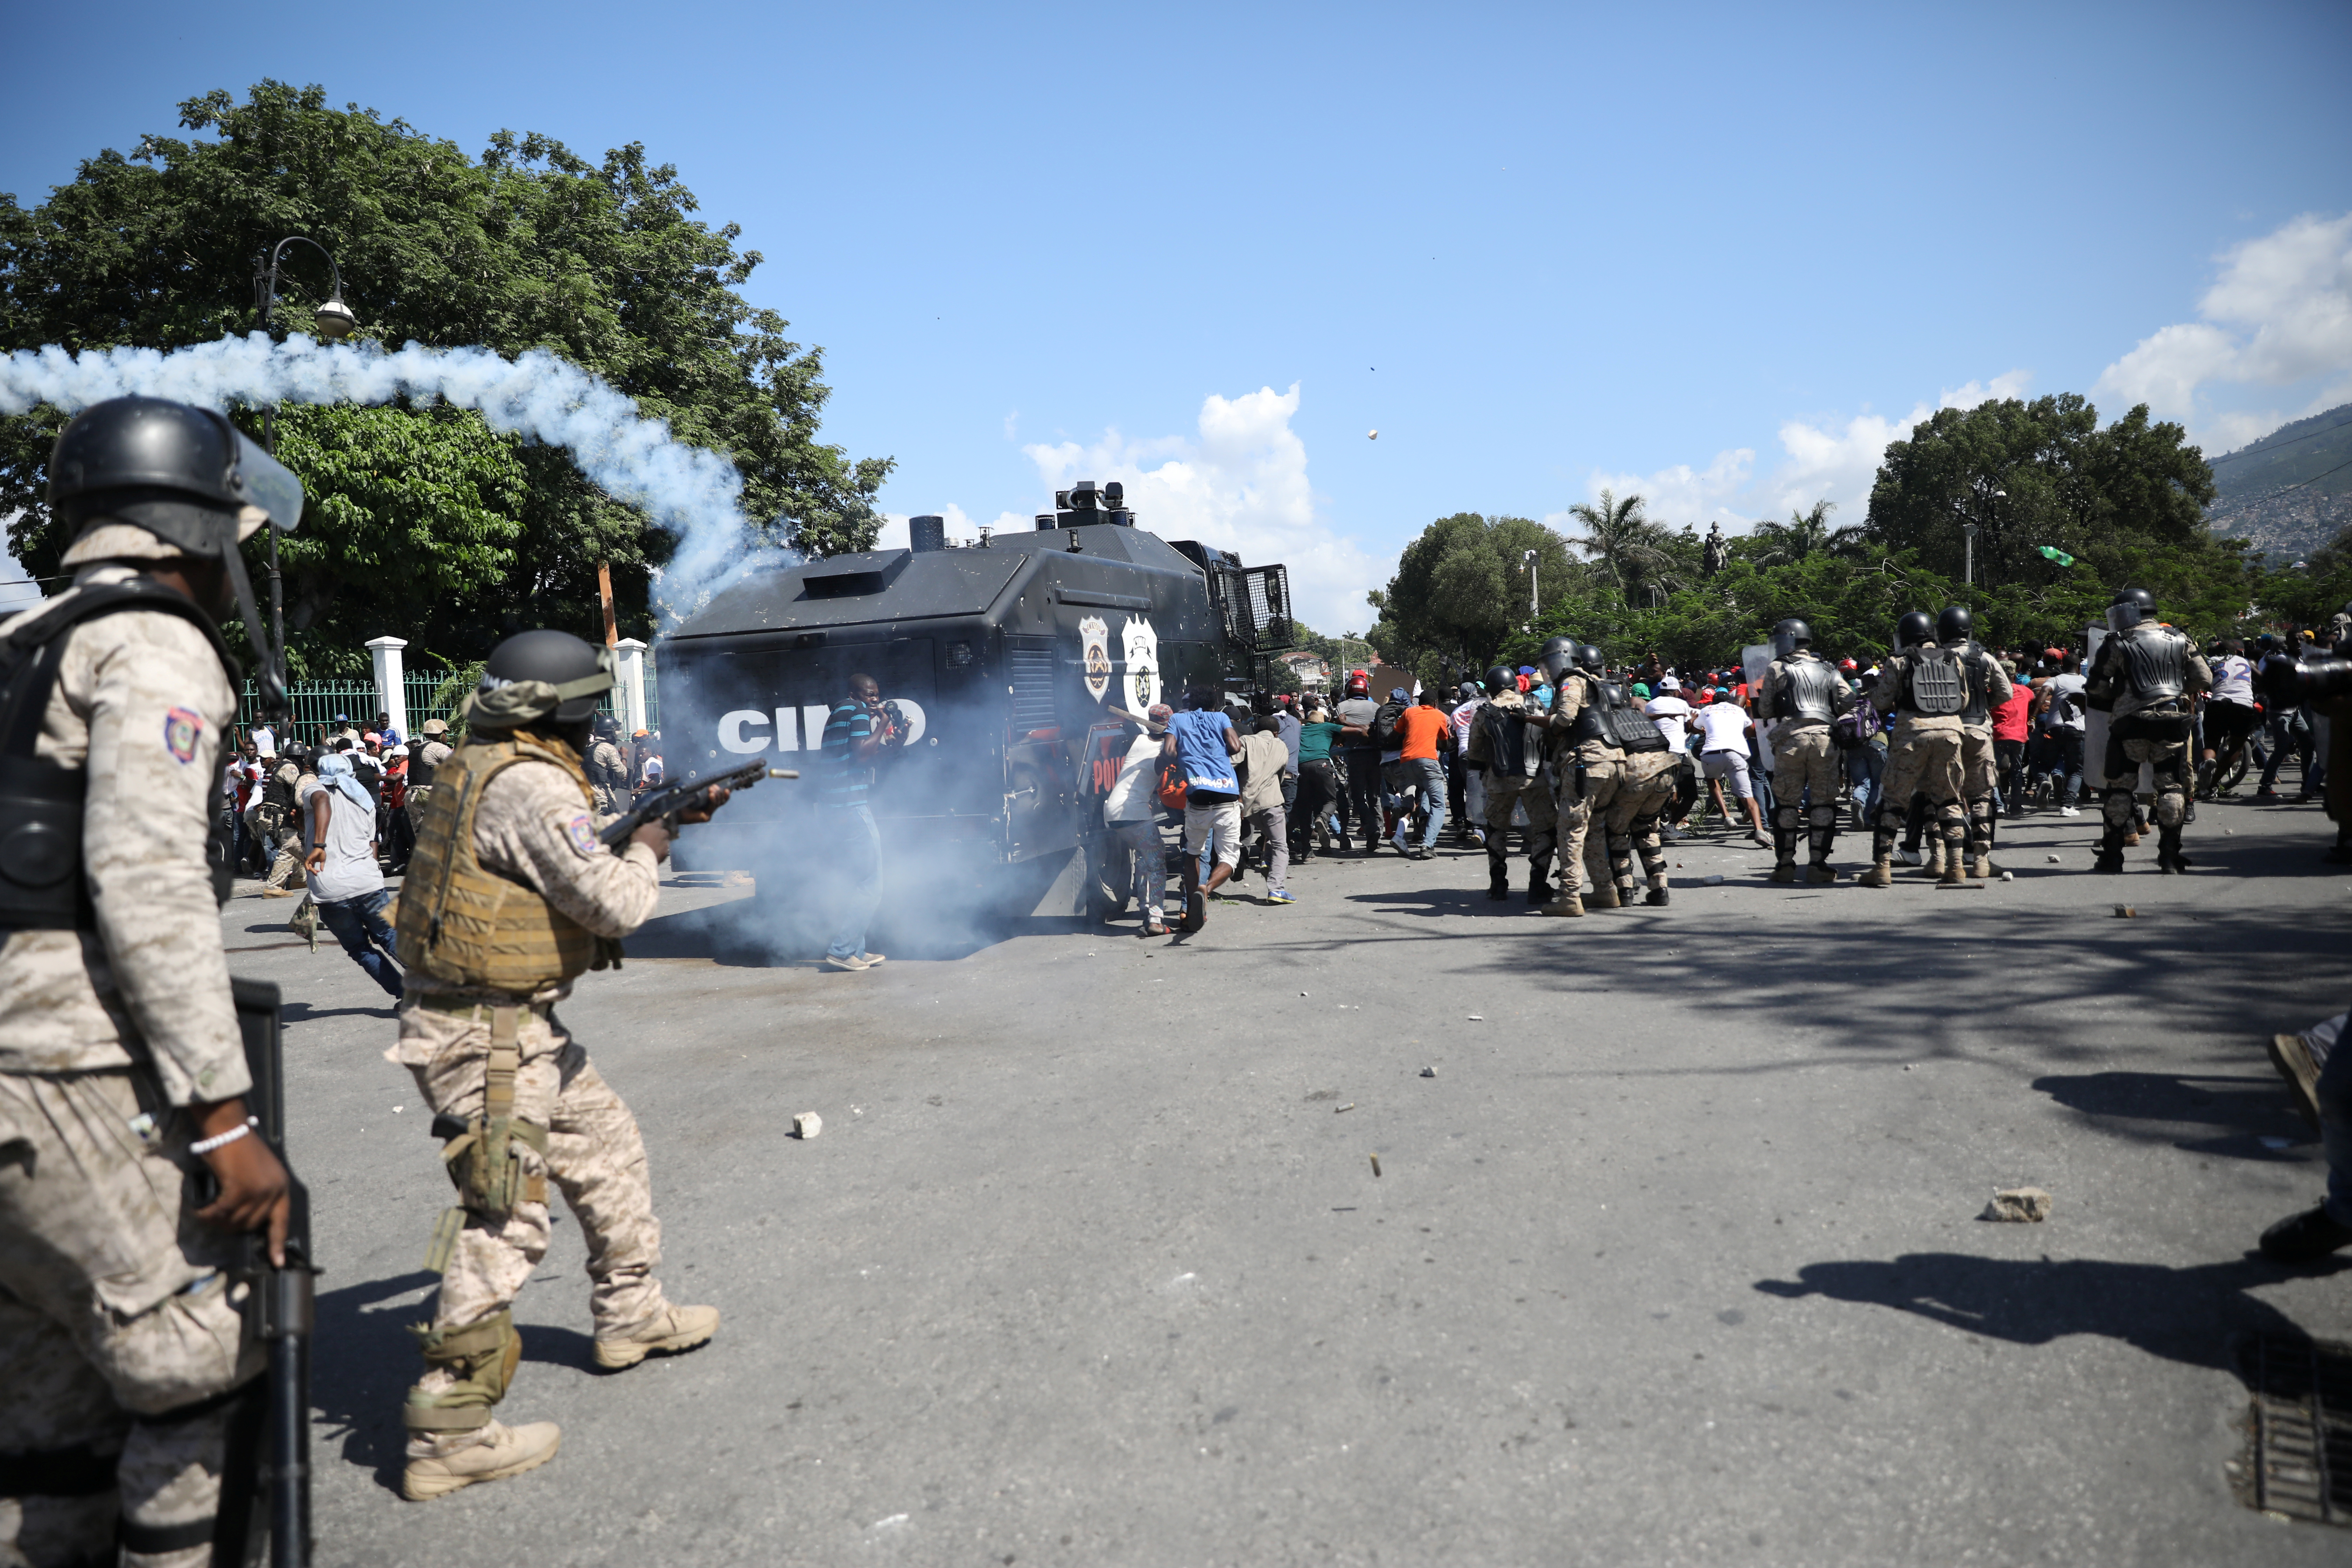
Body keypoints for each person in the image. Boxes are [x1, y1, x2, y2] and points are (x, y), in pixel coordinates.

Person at [1, 394, 299, 1566]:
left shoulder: (25, 644)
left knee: (46, 1427)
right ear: (193, 530)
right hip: (67, 1069)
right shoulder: (156, 643)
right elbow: (147, 883)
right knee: (196, 1378)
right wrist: (223, 1120)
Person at [388, 629, 724, 1500]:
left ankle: (632, 1313)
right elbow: (614, 904)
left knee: (609, 1145)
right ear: (562, 713)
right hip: (487, 1038)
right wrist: (651, 844)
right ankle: (448, 1430)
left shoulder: (486, 761)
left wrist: (660, 820)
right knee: (507, 1217)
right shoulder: (534, 783)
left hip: (510, 1026)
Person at [2083, 588, 2210, 875]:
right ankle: (2169, 857)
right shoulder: (2181, 638)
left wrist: (2119, 696)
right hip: (2171, 722)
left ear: (2132, 611)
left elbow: (2096, 687)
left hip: (2130, 723)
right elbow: (2204, 677)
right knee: (2171, 787)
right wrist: (2174, 691)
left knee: (2119, 789)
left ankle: (2113, 856)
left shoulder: (2116, 642)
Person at [1860, 610, 1968, 888]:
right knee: (1947, 800)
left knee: (1893, 801)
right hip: (1951, 732)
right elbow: (1964, 700)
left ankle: (1882, 869)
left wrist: (1871, 690)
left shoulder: (1899, 660)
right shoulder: (1952, 658)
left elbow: (1883, 701)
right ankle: (1954, 866)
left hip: (1912, 733)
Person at [1754, 617, 1855, 883]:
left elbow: (1764, 710)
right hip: (1824, 740)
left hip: (1790, 741)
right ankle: (1818, 865)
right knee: (1824, 802)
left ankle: (1785, 865)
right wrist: (1828, 713)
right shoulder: (1828, 667)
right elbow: (1849, 697)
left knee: (1787, 803)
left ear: (1787, 640)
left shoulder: (1778, 667)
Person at [816, 673, 898, 971]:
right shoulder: (859, 712)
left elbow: (865, 755)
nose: (874, 699)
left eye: (877, 694)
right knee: (872, 884)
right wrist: (884, 723)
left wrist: (888, 737)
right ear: (855, 693)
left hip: (835, 808)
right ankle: (842, 950)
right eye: (869, 694)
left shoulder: (840, 712)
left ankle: (857, 950)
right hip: (852, 807)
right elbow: (863, 753)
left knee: (859, 880)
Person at [306, 751, 404, 997]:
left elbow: (322, 800)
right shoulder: (366, 800)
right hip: (367, 881)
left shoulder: (315, 789)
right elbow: (372, 844)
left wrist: (319, 846)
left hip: (330, 888)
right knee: (389, 935)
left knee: (360, 948)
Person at [1463, 664, 1554, 903]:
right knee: (1544, 830)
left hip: (1498, 780)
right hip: (1535, 780)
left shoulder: (1484, 712)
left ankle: (1499, 885)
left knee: (1496, 831)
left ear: (1491, 689)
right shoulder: (1534, 705)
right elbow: (1549, 739)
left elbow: (1475, 753)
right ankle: (1537, 884)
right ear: (1515, 685)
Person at [1936, 606, 2015, 878]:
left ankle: (1954, 863)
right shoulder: (1985, 658)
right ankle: (1982, 861)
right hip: (1978, 729)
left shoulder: (1932, 657)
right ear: (1968, 630)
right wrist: (1982, 705)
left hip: (1945, 731)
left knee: (1948, 798)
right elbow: (2005, 692)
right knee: (1982, 797)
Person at [1163, 687, 1245, 930]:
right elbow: (1236, 746)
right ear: (1214, 704)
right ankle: (1206, 889)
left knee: (1193, 854)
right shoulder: (1221, 718)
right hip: (1227, 795)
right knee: (1230, 857)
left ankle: (1190, 908)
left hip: (1198, 797)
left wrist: (1187, 757)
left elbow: (1169, 751)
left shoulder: (1177, 719)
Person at [1103, 703, 1174, 932]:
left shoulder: (1140, 741)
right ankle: (1155, 918)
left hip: (1113, 811)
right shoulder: (1164, 749)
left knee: (1147, 855)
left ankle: (1144, 904)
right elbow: (1166, 760)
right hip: (1133, 812)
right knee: (1158, 861)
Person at [1691, 690, 1767, 845]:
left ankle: (1726, 816)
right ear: (1730, 702)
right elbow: (1751, 731)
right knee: (1747, 796)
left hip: (1711, 754)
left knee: (1712, 780)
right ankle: (1760, 830)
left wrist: (1696, 723)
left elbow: (1695, 729)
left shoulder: (1707, 710)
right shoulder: (1738, 710)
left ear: (1714, 702)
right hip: (1735, 755)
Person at [1389, 689, 1453, 859]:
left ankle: (1399, 836)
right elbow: (1444, 744)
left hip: (1406, 763)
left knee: (1409, 802)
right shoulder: (1439, 715)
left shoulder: (1409, 712)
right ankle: (1427, 844)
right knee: (1439, 805)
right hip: (1427, 762)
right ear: (1435, 703)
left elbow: (1396, 733)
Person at [1238, 716, 1296, 902]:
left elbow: (1231, 764)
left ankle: (1267, 861)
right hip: (1272, 802)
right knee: (1281, 845)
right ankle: (1276, 889)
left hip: (1249, 806)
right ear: (1276, 733)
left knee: (1271, 837)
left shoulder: (1246, 741)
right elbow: (1281, 775)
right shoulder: (1281, 746)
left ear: (1256, 728)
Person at [2199, 638, 2260, 798]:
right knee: (2236, 747)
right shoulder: (2246, 661)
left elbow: (2203, 681)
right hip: (2243, 704)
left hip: (2218, 702)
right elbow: (2261, 678)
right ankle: (2212, 785)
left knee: (2211, 742)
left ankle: (2207, 764)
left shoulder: (2211, 661)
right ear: (2235, 651)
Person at [1334, 671, 1384, 855]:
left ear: (1348, 690)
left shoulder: (1341, 708)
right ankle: (1378, 828)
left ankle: (1371, 828)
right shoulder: (1377, 707)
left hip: (1355, 756)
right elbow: (1378, 731)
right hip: (1375, 756)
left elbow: (1339, 733)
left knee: (1358, 797)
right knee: (1375, 795)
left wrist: (1351, 727)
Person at [1293, 702, 1344, 863]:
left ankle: (1307, 851)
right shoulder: (1327, 728)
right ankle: (1323, 818)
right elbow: (1352, 732)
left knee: (1305, 808)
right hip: (1322, 766)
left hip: (1301, 768)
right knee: (1331, 801)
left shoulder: (1301, 730)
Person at [586, 713, 631, 819]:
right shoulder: (608, 748)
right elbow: (623, 774)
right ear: (609, 734)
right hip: (602, 798)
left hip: (588, 794)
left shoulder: (589, 746)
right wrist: (624, 756)